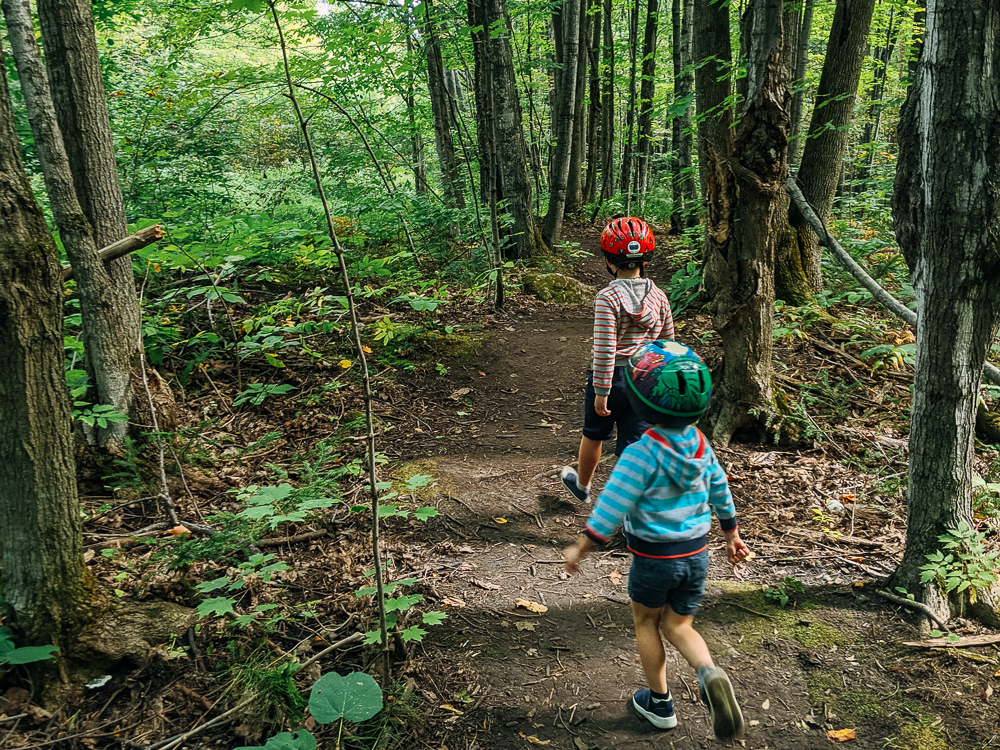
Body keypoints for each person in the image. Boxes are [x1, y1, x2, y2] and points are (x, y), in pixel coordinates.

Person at [563, 340, 750, 739]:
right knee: (679, 624)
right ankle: (709, 672)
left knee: (646, 622)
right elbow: (720, 489)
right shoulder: (700, 443)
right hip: (697, 555)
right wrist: (731, 534)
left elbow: (612, 504)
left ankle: (660, 704)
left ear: (639, 403)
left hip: (654, 560)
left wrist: (583, 544)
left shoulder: (641, 453)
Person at [560, 217, 674, 504]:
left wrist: (602, 391)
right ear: (645, 259)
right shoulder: (660, 297)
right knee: (633, 445)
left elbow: (605, 348)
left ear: (609, 261)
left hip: (613, 378)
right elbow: (667, 344)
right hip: (646, 378)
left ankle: (582, 486)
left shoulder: (607, 297)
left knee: (594, 434)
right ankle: (629, 505)